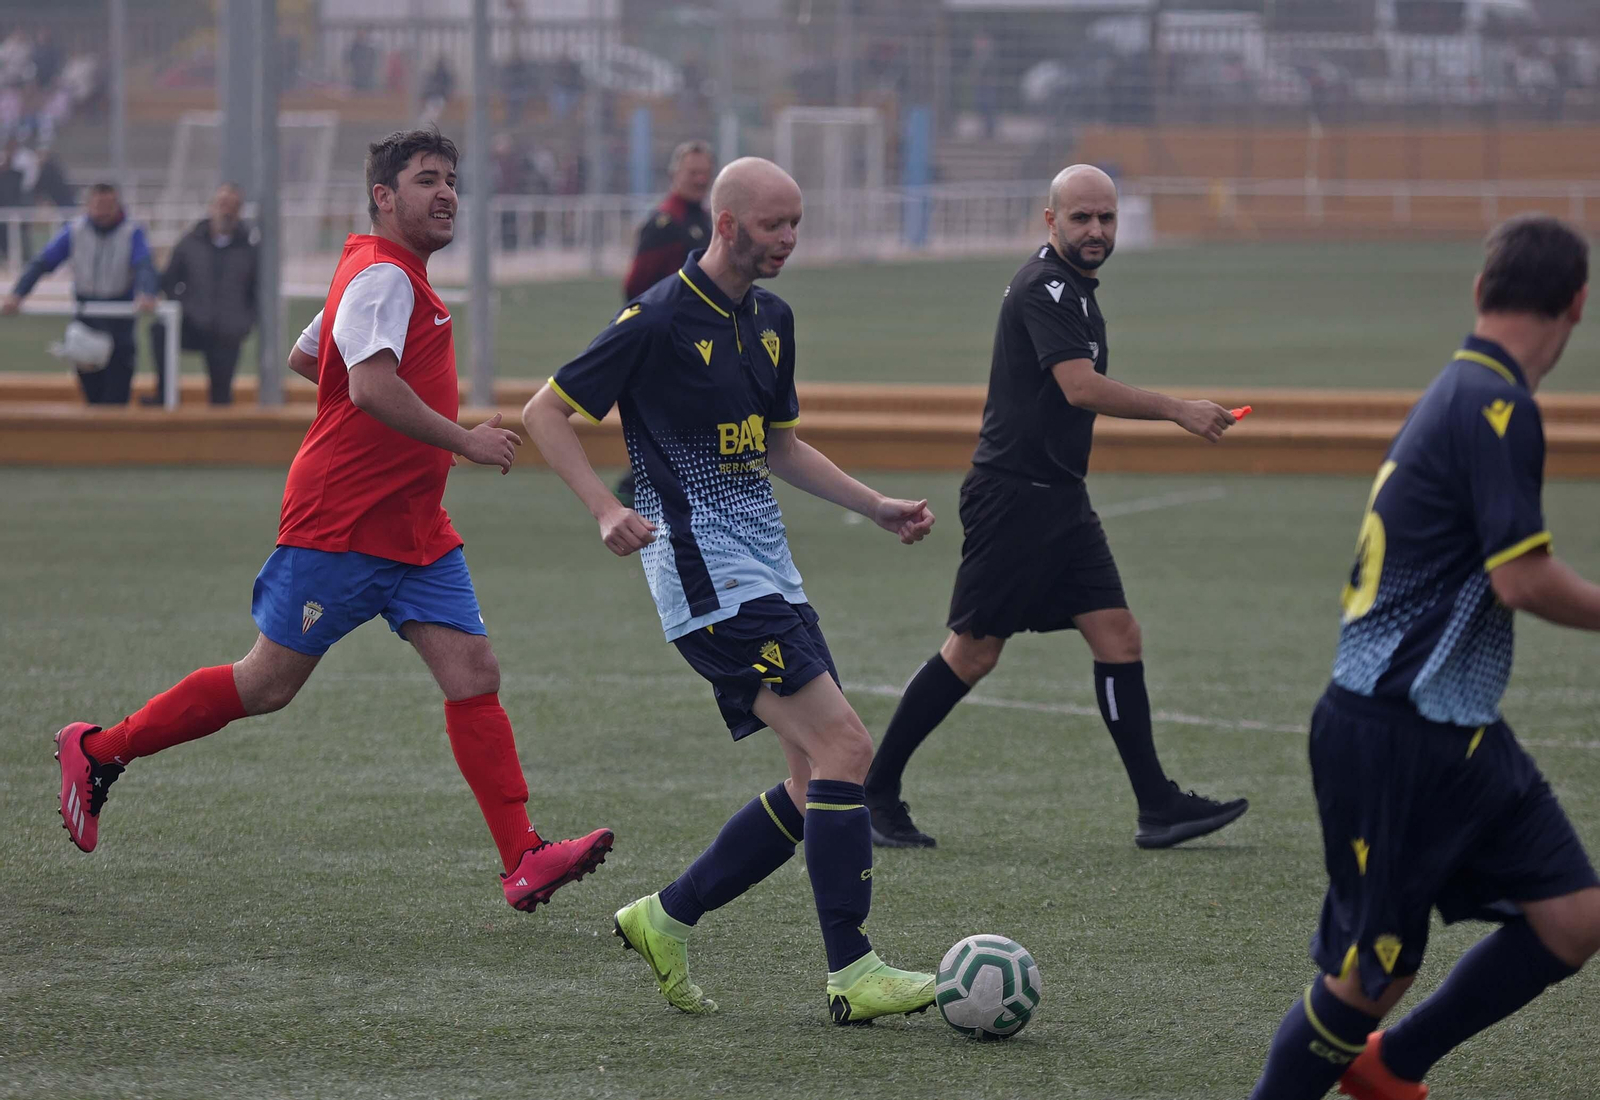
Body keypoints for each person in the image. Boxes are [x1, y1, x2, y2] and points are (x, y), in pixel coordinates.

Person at [50, 128, 613, 915]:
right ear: (384, 197)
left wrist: (411, 430)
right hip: (342, 522)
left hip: (415, 527)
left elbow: (308, 355)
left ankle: (523, 857)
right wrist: (461, 440)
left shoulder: (380, 272)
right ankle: (98, 750)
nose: (446, 192)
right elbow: (370, 389)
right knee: (267, 685)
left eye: (452, 179)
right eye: (426, 180)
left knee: (473, 675)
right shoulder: (383, 276)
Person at [523, 157, 940, 1025]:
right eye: (774, 224)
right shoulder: (657, 320)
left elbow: (780, 446)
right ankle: (852, 969)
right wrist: (605, 507)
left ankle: (665, 916)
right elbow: (542, 414)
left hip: (768, 570)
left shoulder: (774, 320)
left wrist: (873, 507)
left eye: (797, 224)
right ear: (727, 225)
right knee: (847, 751)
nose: (789, 239)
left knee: (809, 780)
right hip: (706, 580)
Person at [1248, 214, 1600, 1100]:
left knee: (1573, 919)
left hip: (1459, 729)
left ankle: (1393, 1067)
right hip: (1393, 730)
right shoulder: (1493, 403)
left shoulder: (1468, 387)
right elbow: (1523, 580)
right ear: (1578, 306)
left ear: (1480, 291)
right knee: (1372, 976)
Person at [862, 164, 1248, 851]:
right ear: (1051, 221)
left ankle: (1157, 807)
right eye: (1081, 218)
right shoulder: (1045, 286)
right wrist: (1178, 410)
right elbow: (1078, 387)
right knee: (973, 653)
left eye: (1106, 217)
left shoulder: (1073, 287)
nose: (1096, 230)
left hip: (1060, 501)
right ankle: (874, 793)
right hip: (1013, 500)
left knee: (1118, 635)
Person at [614, 140, 714, 507]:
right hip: (667, 341)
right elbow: (635, 286)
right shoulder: (664, 223)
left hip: (697, 339)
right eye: (693, 172)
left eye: (705, 172)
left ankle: (646, 487)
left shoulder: (703, 220)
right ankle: (634, 489)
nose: (700, 179)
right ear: (675, 174)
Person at [1, 181, 156, 404]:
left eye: (108, 205)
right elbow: (43, 262)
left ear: (117, 206)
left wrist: (147, 293)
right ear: (88, 206)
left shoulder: (132, 232)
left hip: (119, 318)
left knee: (117, 393)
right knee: (92, 393)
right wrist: (18, 294)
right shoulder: (75, 231)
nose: (102, 211)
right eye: (97, 205)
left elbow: (144, 265)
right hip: (87, 317)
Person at [144, 182, 257, 406]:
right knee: (160, 332)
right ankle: (164, 395)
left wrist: (243, 322)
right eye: (222, 204)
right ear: (212, 207)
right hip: (193, 323)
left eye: (232, 206)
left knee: (221, 399)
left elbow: (256, 292)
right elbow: (169, 280)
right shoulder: (190, 243)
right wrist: (184, 306)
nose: (226, 211)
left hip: (227, 332)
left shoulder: (249, 251)